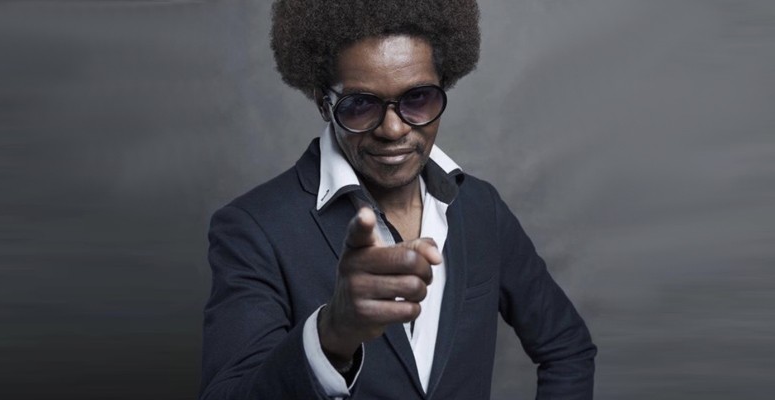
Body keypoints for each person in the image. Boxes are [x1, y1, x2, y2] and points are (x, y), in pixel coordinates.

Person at [200, 1, 596, 398]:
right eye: (359, 105)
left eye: (418, 98)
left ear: (444, 85)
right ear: (324, 102)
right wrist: (331, 335)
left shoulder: (480, 208)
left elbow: (567, 347)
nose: (392, 129)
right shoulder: (253, 229)